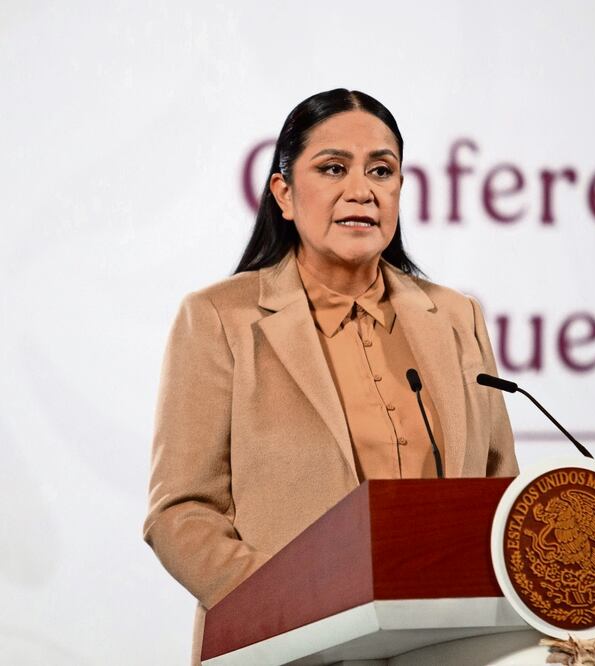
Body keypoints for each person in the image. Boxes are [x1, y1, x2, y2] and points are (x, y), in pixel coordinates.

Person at [142, 88, 518, 664]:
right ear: (284, 194)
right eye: (333, 168)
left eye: (381, 170)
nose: (361, 190)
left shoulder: (455, 317)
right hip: (290, 645)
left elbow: (497, 487)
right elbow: (181, 511)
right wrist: (293, 606)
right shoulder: (221, 318)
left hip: (445, 645)